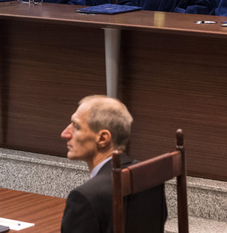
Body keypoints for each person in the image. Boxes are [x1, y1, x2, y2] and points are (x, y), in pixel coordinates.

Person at [60, 95, 167, 233]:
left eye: (76, 126)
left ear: (103, 138)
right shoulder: (151, 177)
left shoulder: (84, 197)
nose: (65, 133)